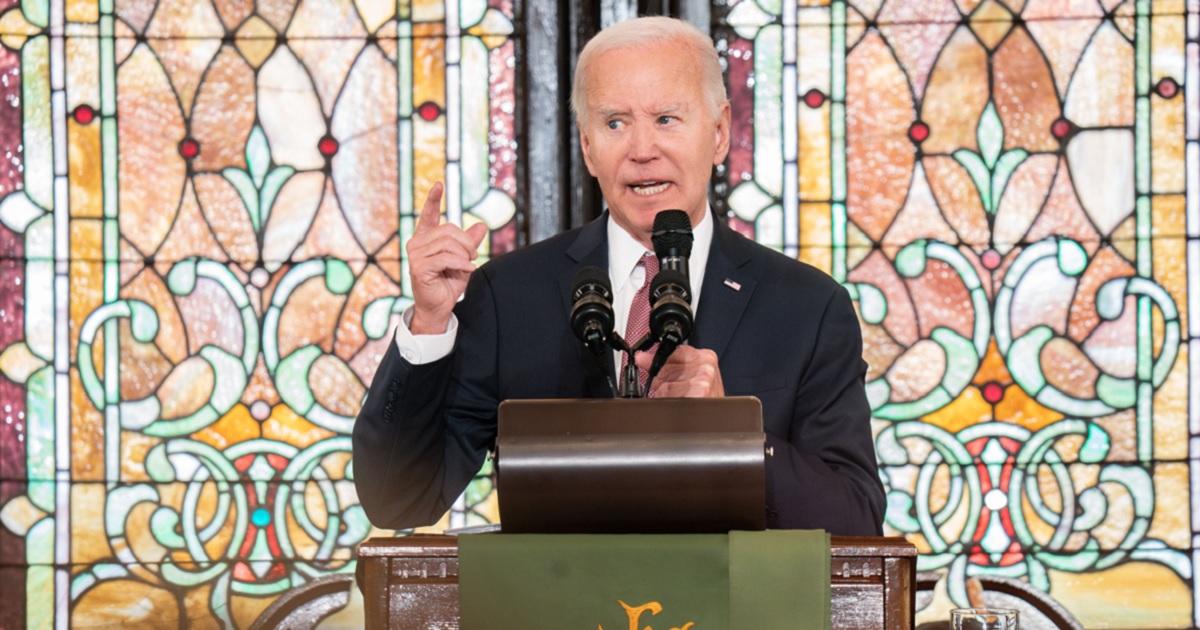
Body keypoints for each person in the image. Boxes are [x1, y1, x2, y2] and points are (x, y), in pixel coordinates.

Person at [352, 16, 885, 535]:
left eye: (666, 119)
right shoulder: (509, 296)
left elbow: (855, 518)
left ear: (720, 133)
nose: (642, 150)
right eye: (615, 123)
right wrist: (428, 323)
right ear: (587, 146)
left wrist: (736, 435)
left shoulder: (808, 307)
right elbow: (398, 500)